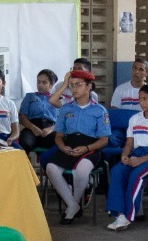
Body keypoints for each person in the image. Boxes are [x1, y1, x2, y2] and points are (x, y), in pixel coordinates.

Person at [41, 70, 111, 223]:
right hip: (69, 145)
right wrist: (61, 147)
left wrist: (86, 148)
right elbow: (59, 135)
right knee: (51, 168)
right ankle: (73, 204)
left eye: (78, 85)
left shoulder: (99, 110)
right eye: (72, 85)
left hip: (91, 147)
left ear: (89, 87)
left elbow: (104, 140)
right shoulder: (66, 108)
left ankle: (72, 207)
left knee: (81, 171)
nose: (74, 89)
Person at [105, 84, 148, 232]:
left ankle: (127, 216)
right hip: (136, 153)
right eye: (140, 99)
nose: (141, 102)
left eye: (145, 98)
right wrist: (124, 155)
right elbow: (129, 143)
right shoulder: (135, 119)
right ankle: (118, 213)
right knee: (117, 171)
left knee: (136, 175)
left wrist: (141, 160)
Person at [17, 69, 60, 154]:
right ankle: (24, 166)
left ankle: (50, 166)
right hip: (31, 129)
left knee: (60, 143)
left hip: (50, 130)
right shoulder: (29, 96)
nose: (40, 85)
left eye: (44, 83)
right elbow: (22, 118)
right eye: (38, 82)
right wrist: (32, 128)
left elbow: (62, 120)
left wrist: (51, 129)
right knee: (24, 144)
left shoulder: (57, 100)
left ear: (51, 85)